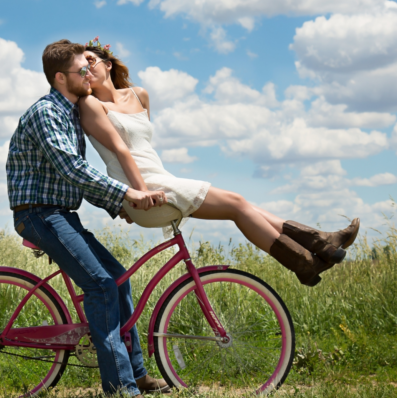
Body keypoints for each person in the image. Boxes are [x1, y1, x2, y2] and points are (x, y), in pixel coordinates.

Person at [78, 38, 360, 287]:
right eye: (80, 68)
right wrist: (136, 194)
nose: (86, 69)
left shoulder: (139, 95)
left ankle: (318, 246)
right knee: (237, 204)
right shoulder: (91, 106)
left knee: (243, 205)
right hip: (142, 189)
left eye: (90, 61)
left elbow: (144, 148)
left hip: (158, 178)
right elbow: (121, 152)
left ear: (108, 64)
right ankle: (308, 258)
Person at [6, 39, 170, 398]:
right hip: (38, 214)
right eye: (83, 69)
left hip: (61, 213)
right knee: (101, 286)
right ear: (61, 77)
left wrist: (118, 205)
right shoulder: (47, 112)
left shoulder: (70, 114)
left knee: (118, 279)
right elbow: (72, 169)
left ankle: (138, 374)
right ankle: (121, 392)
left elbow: (74, 180)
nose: (89, 75)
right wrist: (128, 193)